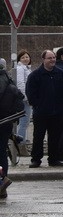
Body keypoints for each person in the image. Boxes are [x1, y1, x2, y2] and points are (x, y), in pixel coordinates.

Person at [25, 50, 63, 168]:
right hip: (41, 112)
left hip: (57, 112)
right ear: (43, 60)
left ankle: (54, 159)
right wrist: (38, 105)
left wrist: (62, 106)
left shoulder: (60, 74)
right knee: (38, 136)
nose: (52, 60)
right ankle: (36, 159)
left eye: (54, 57)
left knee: (55, 136)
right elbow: (30, 93)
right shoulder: (35, 75)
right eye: (49, 58)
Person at [0, 66, 22, 199]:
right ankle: (2, 184)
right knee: (1, 152)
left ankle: (1, 181)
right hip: (7, 122)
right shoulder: (8, 79)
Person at [14, 50, 31, 145]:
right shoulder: (20, 68)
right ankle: (20, 145)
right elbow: (20, 84)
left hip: (25, 99)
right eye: (23, 57)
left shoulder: (26, 68)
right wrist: (26, 98)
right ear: (19, 59)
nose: (25, 59)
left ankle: (22, 143)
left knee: (25, 122)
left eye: (27, 57)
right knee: (24, 122)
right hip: (24, 100)